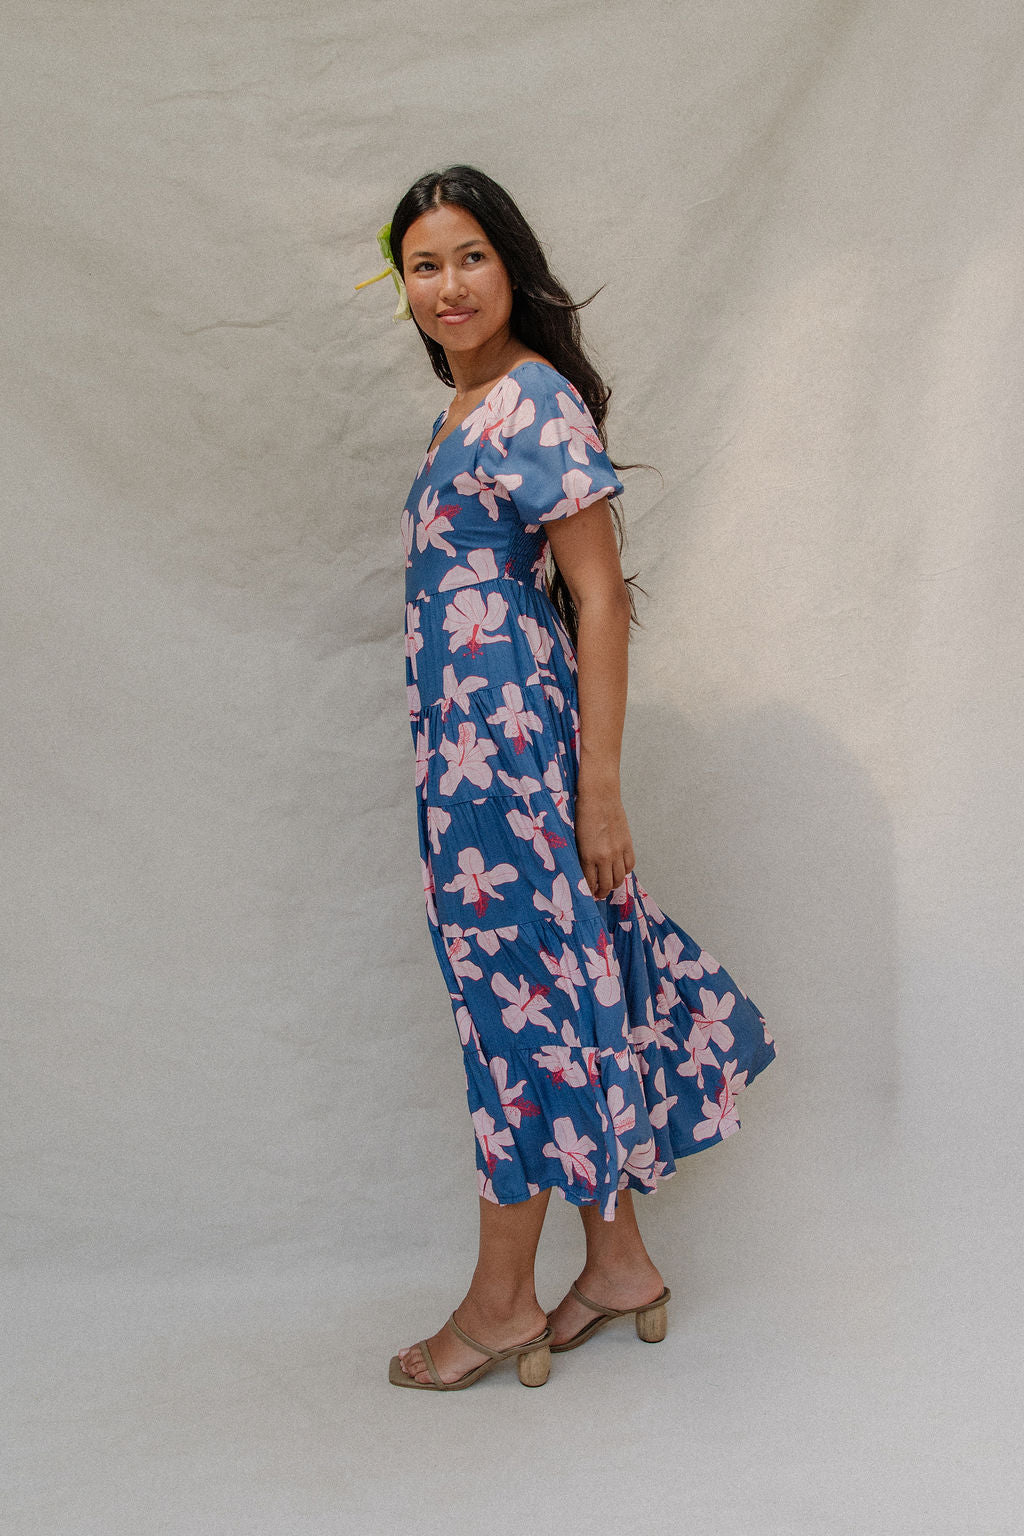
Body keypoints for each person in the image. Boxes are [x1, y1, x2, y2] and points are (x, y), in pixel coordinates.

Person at [360, 165, 777, 1390]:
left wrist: (599, 787)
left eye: (470, 257)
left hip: (520, 768)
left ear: (510, 266)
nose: (448, 284)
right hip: (472, 760)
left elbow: (597, 598)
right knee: (557, 985)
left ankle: (497, 1305)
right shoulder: (466, 408)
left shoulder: (530, 400)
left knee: (517, 1015)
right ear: (403, 286)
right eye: (423, 265)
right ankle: (617, 1265)